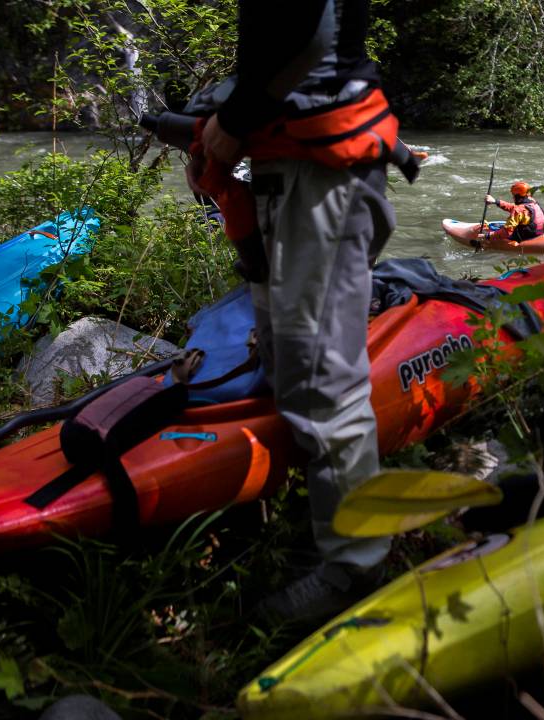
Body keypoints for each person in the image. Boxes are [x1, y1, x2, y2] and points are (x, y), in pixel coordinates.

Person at [186, 0, 413, 625]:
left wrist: (232, 120)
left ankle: (356, 569)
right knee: (288, 361)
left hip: (325, 175)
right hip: (292, 167)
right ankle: (321, 536)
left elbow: (306, 35)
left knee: (321, 379)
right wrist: (225, 128)